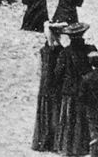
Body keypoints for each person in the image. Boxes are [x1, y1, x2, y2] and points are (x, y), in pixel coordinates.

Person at [55, 22, 96, 156]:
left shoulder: (65, 52)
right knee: (83, 120)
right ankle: (83, 147)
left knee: (68, 120)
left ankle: (68, 148)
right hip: (86, 91)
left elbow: (58, 73)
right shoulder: (90, 49)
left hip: (69, 91)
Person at [32, 22, 67, 152]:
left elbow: (39, 71)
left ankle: (43, 141)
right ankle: (54, 143)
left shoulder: (43, 50)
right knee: (55, 113)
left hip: (45, 86)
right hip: (56, 87)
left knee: (45, 113)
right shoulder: (61, 51)